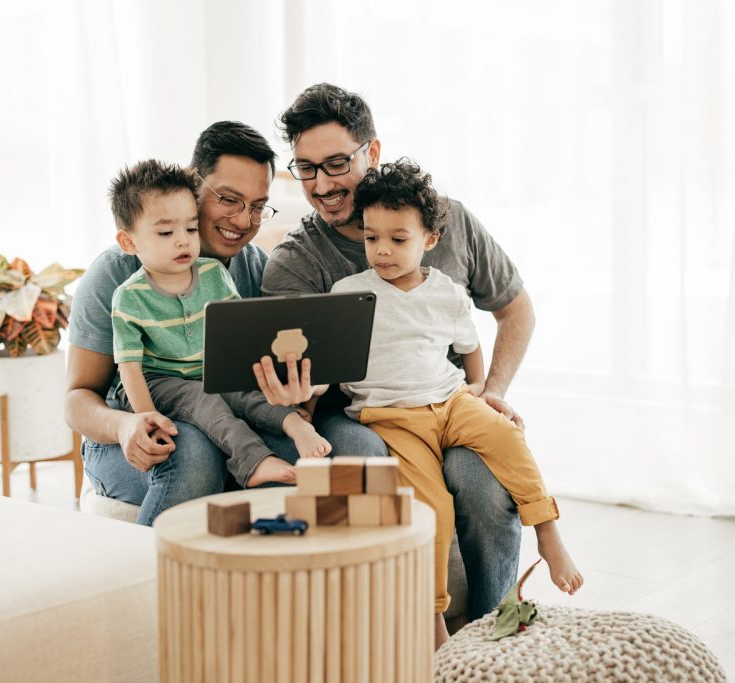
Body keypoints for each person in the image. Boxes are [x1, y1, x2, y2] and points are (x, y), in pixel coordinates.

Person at [261, 83, 536, 620]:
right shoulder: (296, 262)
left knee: (482, 484)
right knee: (364, 464)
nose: (321, 184)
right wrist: (295, 399)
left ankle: (491, 641)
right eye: (305, 168)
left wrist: (491, 391)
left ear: (373, 152)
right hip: (356, 412)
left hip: (443, 405)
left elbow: (516, 310)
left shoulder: (444, 222)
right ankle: (389, 635)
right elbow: (299, 383)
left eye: (336, 163)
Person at [331, 159, 583, 648]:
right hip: (392, 419)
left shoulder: (445, 291)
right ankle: (433, 625)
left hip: (450, 401)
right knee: (433, 511)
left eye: (397, 239)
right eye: (371, 237)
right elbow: (332, 366)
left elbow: (468, 345)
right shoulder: (349, 294)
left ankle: (548, 533)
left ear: (429, 239)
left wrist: (483, 392)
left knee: (507, 435)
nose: (381, 250)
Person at [66, 122, 314, 526]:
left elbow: (253, 373)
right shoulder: (116, 276)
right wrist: (127, 425)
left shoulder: (253, 268)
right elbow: (77, 398)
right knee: (194, 451)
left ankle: (270, 583)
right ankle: (152, 586)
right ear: (192, 184)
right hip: (126, 435)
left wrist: (297, 394)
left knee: (308, 451)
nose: (243, 220)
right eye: (229, 199)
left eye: (257, 206)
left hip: (222, 418)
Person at [106, 159, 330, 492]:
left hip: (209, 371)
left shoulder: (213, 275)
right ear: (129, 243)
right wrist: (148, 418)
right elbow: (130, 369)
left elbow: (240, 336)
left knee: (244, 391)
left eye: (191, 229)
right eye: (167, 233)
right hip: (157, 381)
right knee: (204, 399)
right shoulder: (129, 297)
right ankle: (253, 462)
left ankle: (296, 425)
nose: (183, 241)